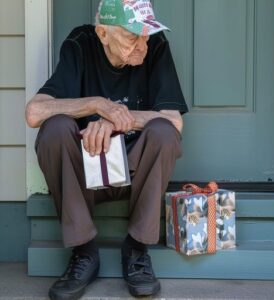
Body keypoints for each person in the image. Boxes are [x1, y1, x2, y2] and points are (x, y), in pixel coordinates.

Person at [26, 0, 188, 299]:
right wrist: (97, 104)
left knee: (164, 133)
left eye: (146, 35)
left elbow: (174, 121)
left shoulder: (155, 46)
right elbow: (34, 113)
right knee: (54, 128)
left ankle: (137, 249)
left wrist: (115, 120)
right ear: (103, 34)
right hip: (86, 174)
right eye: (131, 36)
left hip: (136, 172)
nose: (143, 45)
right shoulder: (81, 43)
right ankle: (84, 251)